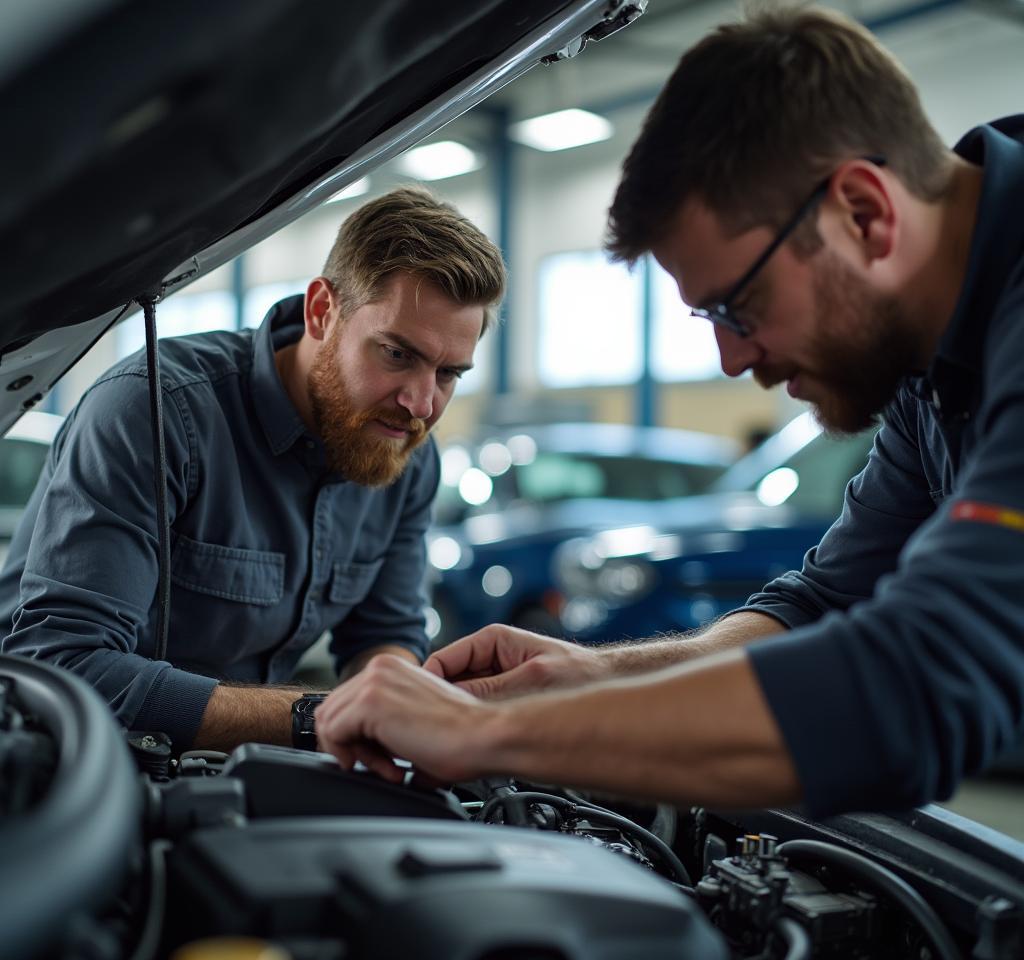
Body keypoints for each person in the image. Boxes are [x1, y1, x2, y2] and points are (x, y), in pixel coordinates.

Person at [314, 7, 1024, 818]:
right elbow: (820, 606)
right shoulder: (924, 362)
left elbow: (911, 695)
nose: (733, 362)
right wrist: (588, 676)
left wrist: (488, 736)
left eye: (739, 307)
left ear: (863, 212)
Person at [0, 187, 506, 752]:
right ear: (321, 312)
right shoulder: (158, 411)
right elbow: (62, 664)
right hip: (54, 766)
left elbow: (383, 636)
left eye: (448, 374)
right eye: (397, 354)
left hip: (230, 775)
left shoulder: (405, 452)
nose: (421, 404)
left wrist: (398, 707)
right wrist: (322, 716)